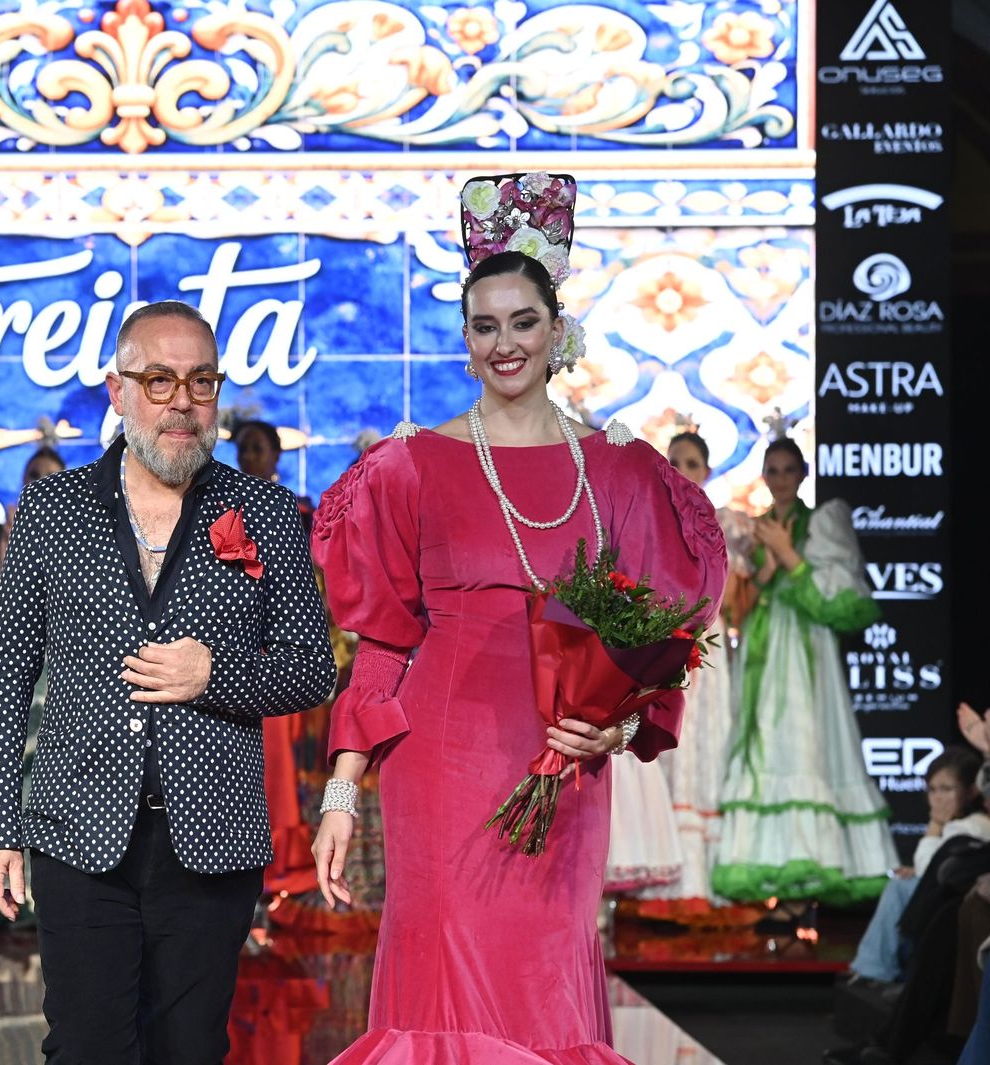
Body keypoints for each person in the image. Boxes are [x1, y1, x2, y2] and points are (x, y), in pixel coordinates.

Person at [309, 172, 726, 1062]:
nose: (506, 343)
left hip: (563, 769)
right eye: (485, 325)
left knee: (546, 980)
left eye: (523, 321)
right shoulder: (411, 466)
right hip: (440, 763)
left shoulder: (619, 470)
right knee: (442, 988)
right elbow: (383, 642)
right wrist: (343, 791)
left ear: (557, 329)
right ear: (465, 341)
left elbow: (663, 636)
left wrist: (608, 730)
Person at [0, 300, 336, 1063]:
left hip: (211, 840)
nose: (181, 402)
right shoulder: (51, 508)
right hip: (78, 834)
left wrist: (216, 672)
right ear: (117, 390)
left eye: (200, 382)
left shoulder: (263, 510)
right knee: (85, 1046)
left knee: (190, 1049)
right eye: (159, 379)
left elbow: (311, 667)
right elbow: (5, 679)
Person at [713, 437, 897, 908]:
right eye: (772, 471)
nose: (779, 479)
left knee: (803, 743)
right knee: (760, 748)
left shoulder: (823, 524)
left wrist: (789, 556)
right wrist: (766, 564)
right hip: (759, 652)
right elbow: (737, 607)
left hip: (804, 653)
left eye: (788, 470)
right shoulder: (750, 530)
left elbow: (845, 608)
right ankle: (768, 880)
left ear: (803, 473)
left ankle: (810, 875)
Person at [611, 430, 751, 913]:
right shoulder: (648, 519)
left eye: (692, 463)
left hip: (703, 651)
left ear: (707, 471)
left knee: (701, 752)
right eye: (675, 461)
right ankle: (655, 882)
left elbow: (734, 600)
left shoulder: (725, 523)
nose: (683, 470)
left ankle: (701, 886)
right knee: (659, 753)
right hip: (658, 648)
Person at [232, 418, 320, 897]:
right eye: (244, 448)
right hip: (240, 652)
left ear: (277, 455)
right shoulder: (221, 508)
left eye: (258, 448)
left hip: (285, 652)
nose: (250, 456)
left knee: (281, 759)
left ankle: (285, 855)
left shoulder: (298, 511)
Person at [850, 748, 987, 986]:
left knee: (899, 887)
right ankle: (875, 966)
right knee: (904, 882)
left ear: (971, 791)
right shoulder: (967, 824)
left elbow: (932, 875)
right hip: (952, 902)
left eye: (947, 789)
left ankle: (875, 968)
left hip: (957, 905)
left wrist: (934, 825)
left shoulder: (970, 826)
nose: (937, 798)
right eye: (932, 790)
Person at [0, 446, 66, 576]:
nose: (40, 482)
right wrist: (2, 559)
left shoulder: (75, 534)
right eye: (34, 475)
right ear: (23, 480)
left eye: (51, 477)